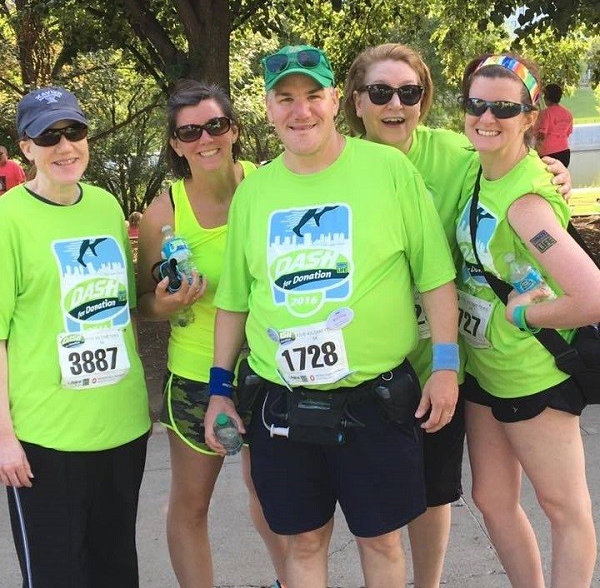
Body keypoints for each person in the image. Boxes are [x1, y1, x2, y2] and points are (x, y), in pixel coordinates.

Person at [204, 44, 460, 588]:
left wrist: (444, 366)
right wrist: (220, 388)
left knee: (382, 540)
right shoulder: (254, 192)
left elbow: (435, 275)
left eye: (313, 95)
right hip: (283, 401)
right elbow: (234, 300)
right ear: (268, 108)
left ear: (335, 99)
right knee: (303, 540)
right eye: (285, 98)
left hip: (376, 397)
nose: (301, 111)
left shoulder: (388, 169)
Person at [342, 42, 573, 588]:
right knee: (372, 505)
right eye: (380, 92)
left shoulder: (456, 153)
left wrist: (552, 174)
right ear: (355, 102)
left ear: (424, 100)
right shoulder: (340, 165)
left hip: (443, 361)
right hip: (365, 362)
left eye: (409, 92)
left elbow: (511, 167)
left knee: (433, 490)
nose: (394, 103)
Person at [136, 79, 288, 588]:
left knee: (274, 498)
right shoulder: (165, 214)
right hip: (198, 376)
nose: (206, 139)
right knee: (191, 505)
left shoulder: (271, 188)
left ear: (234, 130)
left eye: (215, 125)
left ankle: (293, 580)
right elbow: (146, 304)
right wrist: (169, 300)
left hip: (272, 370)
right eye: (190, 131)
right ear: (177, 144)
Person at [457, 54, 599, 587]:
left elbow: (591, 295)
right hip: (482, 371)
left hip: (532, 374)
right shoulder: (478, 166)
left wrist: (525, 314)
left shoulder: (525, 203)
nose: (487, 116)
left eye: (503, 107)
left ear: (529, 116)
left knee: (563, 509)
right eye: (476, 104)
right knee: (492, 500)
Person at [0, 86, 151, 587]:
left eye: (74, 132)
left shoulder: (107, 206)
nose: (65, 147)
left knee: (115, 570)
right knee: (57, 575)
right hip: (46, 437)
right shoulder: (8, 219)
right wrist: (4, 438)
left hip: (121, 426)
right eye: (49, 137)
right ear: (26, 148)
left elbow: (122, 308)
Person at [534, 83, 573, 167]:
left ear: (547, 97)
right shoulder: (568, 114)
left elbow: (542, 135)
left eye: (544, 96)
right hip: (565, 152)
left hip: (548, 153)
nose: (543, 98)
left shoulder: (546, 113)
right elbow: (568, 133)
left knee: (548, 179)